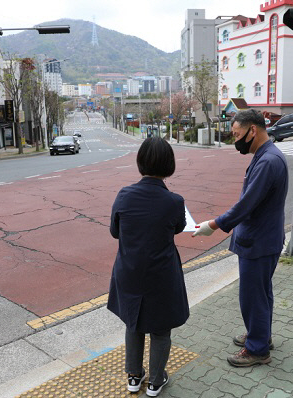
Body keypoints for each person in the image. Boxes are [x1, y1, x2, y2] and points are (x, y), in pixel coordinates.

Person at [192, 109, 288, 367]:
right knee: (261, 293)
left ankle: (257, 349)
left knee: (253, 296)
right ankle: (260, 336)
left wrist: (213, 225)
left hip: (259, 242)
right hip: (262, 239)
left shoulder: (268, 161)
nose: (235, 139)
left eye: (236, 134)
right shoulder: (266, 155)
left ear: (252, 130)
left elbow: (246, 205)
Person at [107, 137, 188, 396]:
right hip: (161, 275)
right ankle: (155, 381)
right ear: (169, 164)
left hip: (129, 272)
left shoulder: (124, 195)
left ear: (140, 162)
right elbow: (179, 227)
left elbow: (115, 232)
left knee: (134, 324)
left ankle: (134, 376)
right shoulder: (174, 201)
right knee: (161, 329)